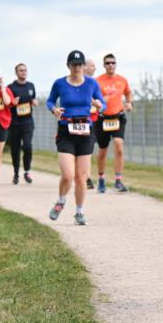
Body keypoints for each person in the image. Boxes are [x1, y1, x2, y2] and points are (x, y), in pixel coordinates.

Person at [46, 50, 105, 225]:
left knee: (81, 177)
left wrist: (99, 105)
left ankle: (79, 213)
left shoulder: (92, 83)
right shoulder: (59, 83)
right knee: (68, 175)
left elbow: (103, 103)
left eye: (80, 64)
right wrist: (54, 109)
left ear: (84, 66)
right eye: (74, 64)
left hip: (85, 132)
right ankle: (61, 202)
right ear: (68, 65)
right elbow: (50, 101)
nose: (77, 67)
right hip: (66, 131)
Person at [94, 53, 133, 193]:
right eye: (108, 63)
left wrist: (129, 103)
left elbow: (128, 93)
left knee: (118, 145)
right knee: (103, 150)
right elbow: (91, 97)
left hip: (118, 117)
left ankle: (118, 180)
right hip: (102, 118)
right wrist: (99, 100)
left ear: (116, 64)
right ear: (104, 65)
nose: (111, 65)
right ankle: (101, 179)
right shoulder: (97, 81)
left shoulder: (122, 80)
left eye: (113, 62)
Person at [7, 63, 37, 185]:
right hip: (14, 123)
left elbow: (33, 99)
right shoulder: (10, 87)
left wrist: (34, 102)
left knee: (28, 146)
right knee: (15, 150)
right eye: (21, 70)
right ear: (16, 73)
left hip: (27, 122)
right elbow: (7, 104)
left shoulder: (31, 86)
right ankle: (16, 173)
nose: (24, 72)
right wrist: (12, 103)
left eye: (25, 70)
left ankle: (27, 171)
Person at [83, 59, 100, 190]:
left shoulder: (95, 84)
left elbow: (101, 102)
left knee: (88, 150)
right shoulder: (77, 82)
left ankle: (87, 177)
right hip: (79, 120)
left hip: (92, 121)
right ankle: (83, 175)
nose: (95, 68)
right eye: (92, 66)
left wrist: (99, 103)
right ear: (85, 67)